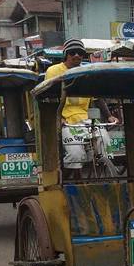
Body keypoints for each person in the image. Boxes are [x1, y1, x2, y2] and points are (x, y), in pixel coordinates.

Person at [47, 39, 117, 177]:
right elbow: (49, 97)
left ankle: (103, 171)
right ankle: (62, 181)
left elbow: (97, 97)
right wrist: (58, 118)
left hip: (85, 120)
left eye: (80, 53)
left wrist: (109, 115)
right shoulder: (54, 71)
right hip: (66, 121)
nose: (77, 56)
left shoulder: (87, 71)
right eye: (73, 52)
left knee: (106, 143)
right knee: (76, 155)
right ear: (66, 54)